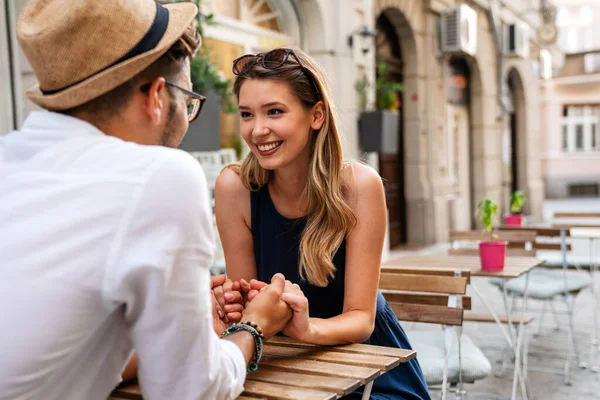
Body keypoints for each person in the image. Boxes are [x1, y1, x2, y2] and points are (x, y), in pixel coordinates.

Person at [0, 1, 293, 399]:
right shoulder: (159, 176)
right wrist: (252, 328)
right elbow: (190, 390)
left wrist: (167, 316)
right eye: (189, 103)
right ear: (158, 96)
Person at [215, 48, 431, 400]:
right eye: (246, 114)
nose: (257, 130)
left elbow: (362, 319)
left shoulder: (359, 187)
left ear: (316, 115)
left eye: (274, 112)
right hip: (283, 365)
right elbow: (250, 303)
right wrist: (233, 308)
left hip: (368, 371)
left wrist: (307, 329)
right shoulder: (234, 189)